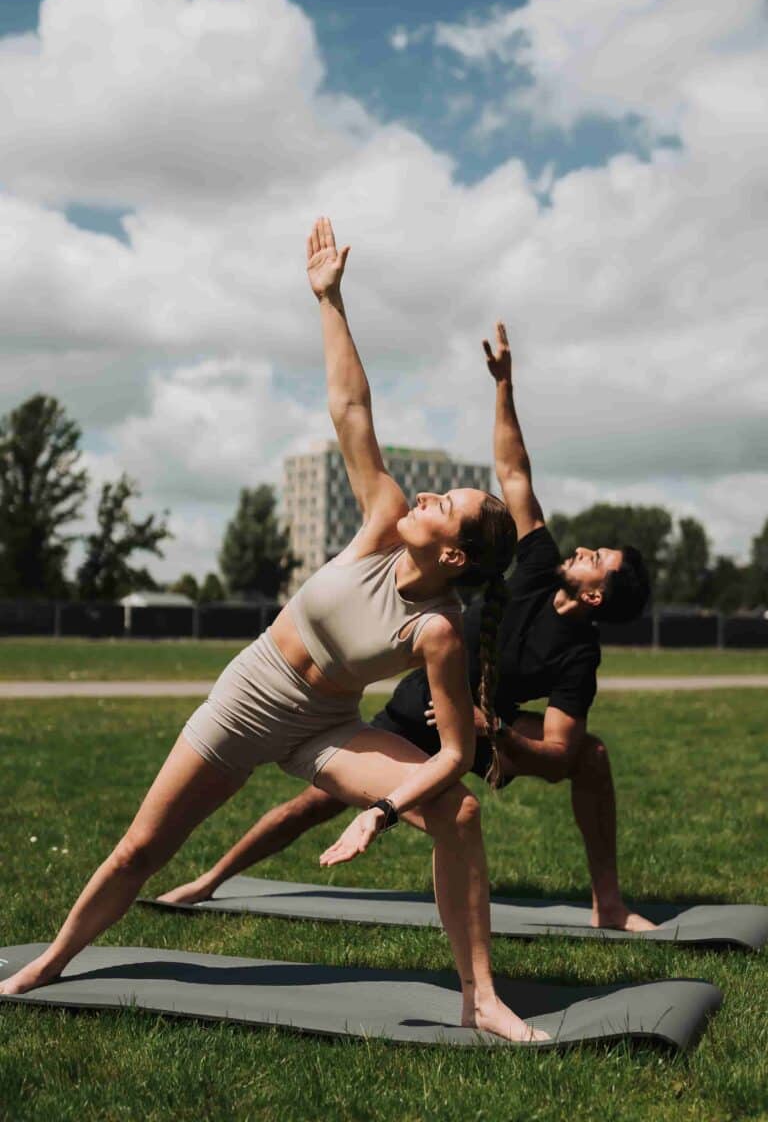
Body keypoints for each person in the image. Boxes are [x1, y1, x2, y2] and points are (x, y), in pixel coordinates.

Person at [1, 220, 548, 1043]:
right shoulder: (381, 519)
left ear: (458, 552)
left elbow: (452, 754)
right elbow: (351, 408)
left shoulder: (440, 628)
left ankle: (480, 995)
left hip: (323, 728)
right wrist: (331, 301)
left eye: (449, 507)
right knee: (139, 852)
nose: (430, 499)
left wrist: (384, 812)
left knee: (460, 816)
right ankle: (53, 961)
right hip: (250, 695)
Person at [158, 324, 655, 934]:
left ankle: (608, 902)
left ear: (598, 593)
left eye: (597, 558)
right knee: (313, 805)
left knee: (590, 755)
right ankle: (210, 880)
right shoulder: (535, 562)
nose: (583, 549)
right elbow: (514, 471)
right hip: (419, 710)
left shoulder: (579, 655)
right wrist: (504, 386)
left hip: (483, 725)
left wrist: (494, 731)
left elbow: (557, 757)